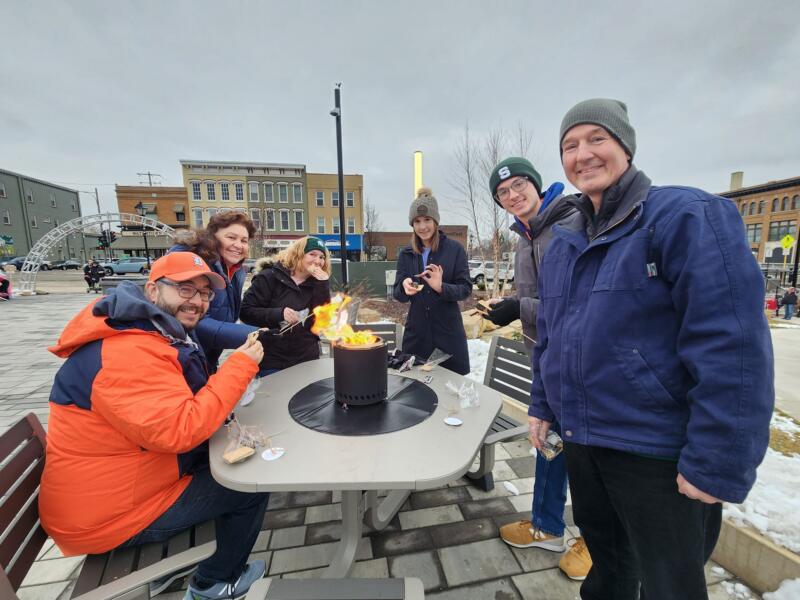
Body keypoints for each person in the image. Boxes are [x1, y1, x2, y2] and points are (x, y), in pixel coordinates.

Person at [531, 98, 774, 599]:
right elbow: (552, 336)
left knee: (669, 585)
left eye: (597, 138)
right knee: (609, 569)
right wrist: (542, 404)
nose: (584, 154)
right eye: (570, 145)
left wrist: (717, 461)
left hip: (656, 452)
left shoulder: (684, 215)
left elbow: (732, 345)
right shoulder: (565, 241)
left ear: (626, 145)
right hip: (583, 439)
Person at [39, 252, 269, 600]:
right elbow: (180, 431)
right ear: (152, 291)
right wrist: (240, 368)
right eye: (185, 290)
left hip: (122, 486)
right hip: (108, 516)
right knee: (250, 486)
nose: (197, 302)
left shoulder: (148, 334)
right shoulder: (125, 352)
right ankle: (214, 583)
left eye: (205, 294)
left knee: (234, 462)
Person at [482, 157, 591, 580]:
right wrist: (507, 305)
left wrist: (518, 307)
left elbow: (575, 304)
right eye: (503, 193)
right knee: (548, 440)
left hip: (579, 361)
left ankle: (593, 539)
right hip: (544, 356)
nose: (513, 195)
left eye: (519, 185)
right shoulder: (525, 237)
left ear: (538, 185)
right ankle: (546, 525)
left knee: (583, 453)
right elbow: (537, 298)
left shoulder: (568, 224)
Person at [393, 187, 471, 375]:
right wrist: (404, 287)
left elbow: (466, 288)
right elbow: (398, 293)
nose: (422, 226)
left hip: (448, 335)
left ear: (435, 221)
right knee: (414, 391)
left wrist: (441, 287)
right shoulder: (406, 254)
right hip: (417, 336)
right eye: (417, 221)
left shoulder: (455, 250)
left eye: (427, 220)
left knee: (450, 390)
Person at [171, 212, 258, 371]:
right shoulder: (193, 261)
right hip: (181, 358)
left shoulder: (235, 270)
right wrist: (252, 334)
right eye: (231, 238)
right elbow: (190, 321)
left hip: (207, 357)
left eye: (244, 240)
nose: (238, 245)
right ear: (212, 237)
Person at [240, 236, 332, 374]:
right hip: (272, 359)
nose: (318, 261)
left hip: (306, 358)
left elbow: (321, 322)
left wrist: (323, 285)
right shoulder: (270, 276)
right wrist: (279, 313)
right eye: (312, 254)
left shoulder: (317, 284)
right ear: (298, 254)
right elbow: (245, 312)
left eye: (321, 257)